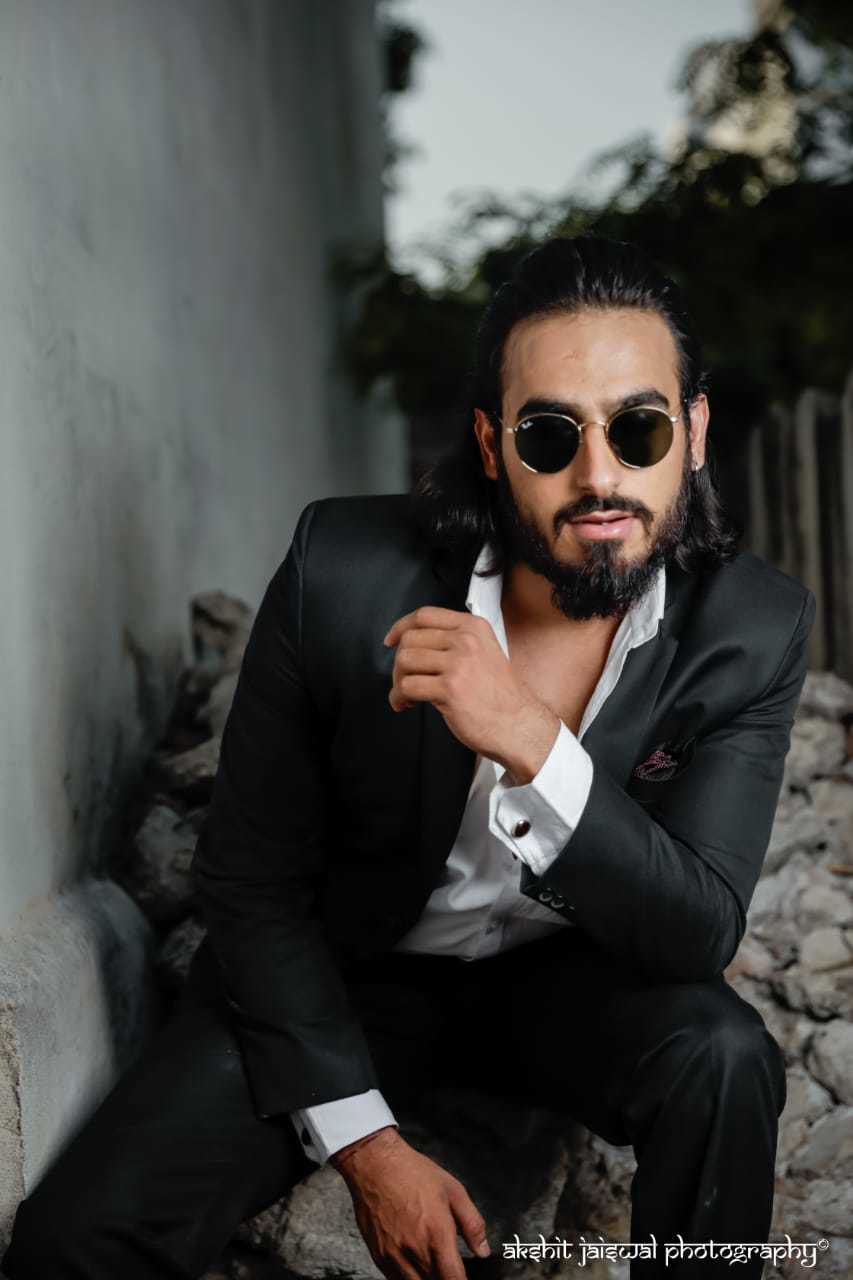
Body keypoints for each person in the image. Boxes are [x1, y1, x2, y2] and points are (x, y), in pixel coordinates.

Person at [2, 236, 814, 1280]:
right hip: (352, 976)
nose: (599, 474)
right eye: (549, 433)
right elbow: (248, 881)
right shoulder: (340, 572)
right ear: (490, 444)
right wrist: (369, 1147)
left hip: (570, 986)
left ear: (692, 434)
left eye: (638, 427)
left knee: (726, 1057)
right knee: (76, 1240)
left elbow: (697, 927)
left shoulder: (749, 628)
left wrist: (529, 739)